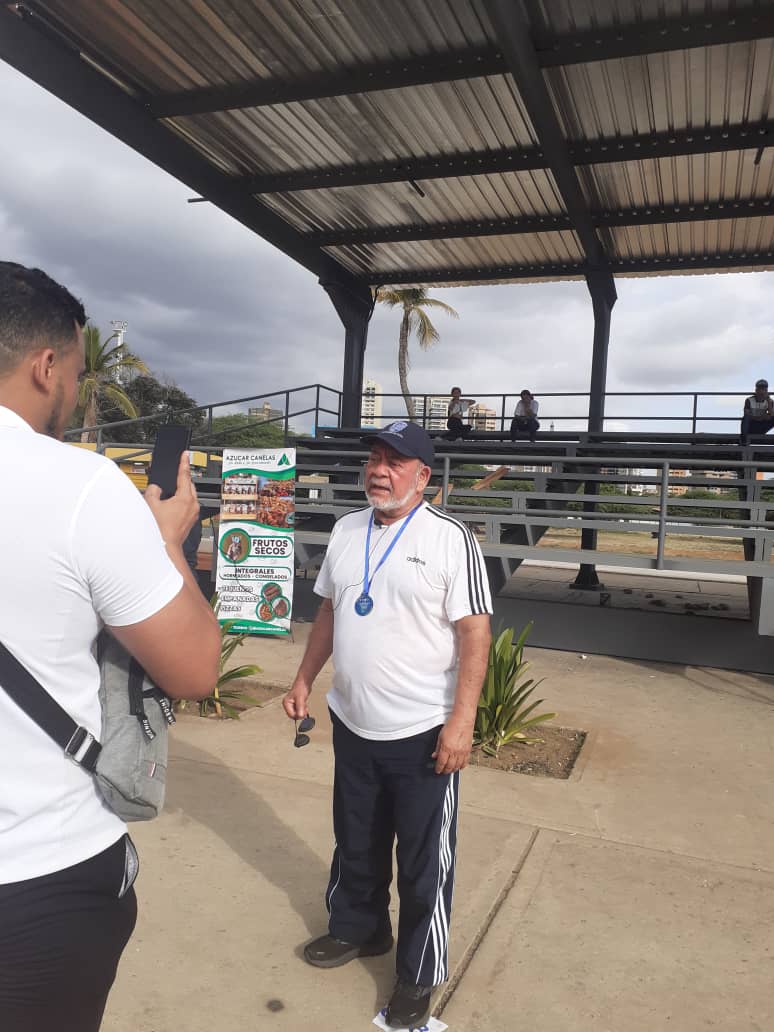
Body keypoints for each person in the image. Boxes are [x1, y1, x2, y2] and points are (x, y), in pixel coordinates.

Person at [0, 262, 221, 1032]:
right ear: (47, 365)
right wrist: (166, 542)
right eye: (77, 371)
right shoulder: (81, 487)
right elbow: (194, 668)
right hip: (35, 875)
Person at [283, 420, 492, 1029]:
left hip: (425, 731)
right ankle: (358, 928)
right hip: (353, 723)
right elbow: (328, 608)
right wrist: (304, 679)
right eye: (375, 457)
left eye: (395, 462)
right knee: (356, 837)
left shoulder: (451, 539)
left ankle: (417, 974)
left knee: (426, 862)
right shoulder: (348, 530)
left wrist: (463, 722)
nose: (379, 470)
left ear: (423, 476)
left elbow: (474, 631)